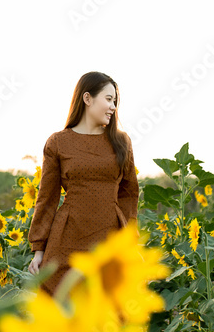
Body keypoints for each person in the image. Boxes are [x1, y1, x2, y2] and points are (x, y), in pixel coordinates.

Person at [26, 71, 140, 296]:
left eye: (115, 102)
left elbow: (129, 194)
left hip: (109, 237)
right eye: (108, 99)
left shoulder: (121, 142)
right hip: (67, 239)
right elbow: (46, 198)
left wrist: (129, 240)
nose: (113, 107)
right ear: (87, 99)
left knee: (109, 308)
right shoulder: (58, 143)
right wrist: (39, 249)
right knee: (64, 308)